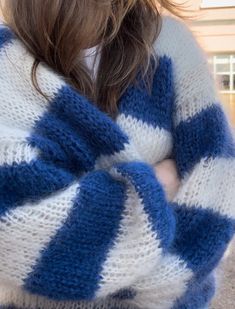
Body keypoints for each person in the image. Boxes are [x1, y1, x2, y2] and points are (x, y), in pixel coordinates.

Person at [0, 1, 234, 309]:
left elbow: (218, 196)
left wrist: (105, 259)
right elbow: (14, 231)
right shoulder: (6, 63)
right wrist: (157, 184)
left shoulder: (171, 46)